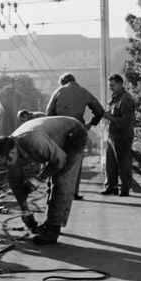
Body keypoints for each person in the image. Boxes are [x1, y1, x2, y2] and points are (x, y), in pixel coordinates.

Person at [0, 115, 88, 245]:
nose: (6, 167)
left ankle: (53, 231)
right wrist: (25, 211)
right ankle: (50, 222)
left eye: (4, 163)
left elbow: (60, 159)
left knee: (60, 180)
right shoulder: (10, 153)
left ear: (12, 153)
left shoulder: (34, 142)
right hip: (52, 140)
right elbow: (16, 184)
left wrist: (38, 178)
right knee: (50, 180)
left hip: (74, 133)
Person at [45, 72, 104, 200]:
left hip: (60, 129)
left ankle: (53, 190)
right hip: (78, 129)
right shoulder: (84, 91)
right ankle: (73, 192)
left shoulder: (58, 91)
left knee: (56, 159)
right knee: (75, 162)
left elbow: (49, 112)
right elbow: (99, 111)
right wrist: (90, 124)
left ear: (63, 82)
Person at [101, 73, 135, 197]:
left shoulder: (126, 99)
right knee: (111, 162)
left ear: (120, 84)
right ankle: (111, 186)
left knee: (123, 162)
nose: (110, 87)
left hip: (122, 135)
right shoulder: (116, 98)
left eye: (113, 85)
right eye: (110, 85)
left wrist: (110, 117)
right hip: (113, 135)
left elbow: (127, 120)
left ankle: (125, 188)